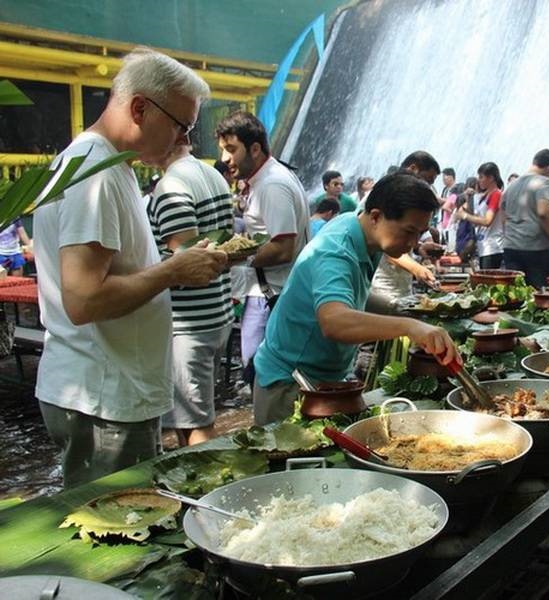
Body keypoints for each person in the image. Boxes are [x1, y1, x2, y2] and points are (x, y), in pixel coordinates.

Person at [32, 47, 227, 488]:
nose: (183, 140)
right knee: (121, 531)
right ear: (140, 108)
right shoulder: (94, 172)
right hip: (105, 397)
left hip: (109, 389)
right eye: (182, 125)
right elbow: (83, 299)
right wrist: (174, 270)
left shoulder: (108, 165)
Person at [251, 172, 460, 424]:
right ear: (375, 216)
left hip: (328, 379)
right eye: (408, 232)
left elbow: (353, 295)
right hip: (291, 384)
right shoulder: (336, 250)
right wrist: (409, 326)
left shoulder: (363, 232)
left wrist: (410, 311)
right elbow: (334, 321)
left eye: (420, 233)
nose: (413, 244)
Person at [146, 143, 234, 447]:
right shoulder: (213, 175)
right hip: (217, 312)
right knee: (198, 415)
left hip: (188, 324)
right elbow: (226, 245)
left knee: (194, 425)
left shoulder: (171, 186)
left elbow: (187, 262)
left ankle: (212, 490)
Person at [216, 111, 310, 368]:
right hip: (271, 293)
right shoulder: (270, 178)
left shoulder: (272, 185)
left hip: (271, 297)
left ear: (255, 148)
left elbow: (282, 249)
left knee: (259, 372)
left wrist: (230, 257)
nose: (225, 159)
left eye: (231, 149)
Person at [369, 151, 441, 303]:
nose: (427, 187)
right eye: (427, 181)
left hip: (401, 286)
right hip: (384, 287)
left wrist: (419, 247)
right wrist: (417, 269)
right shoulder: (383, 198)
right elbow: (387, 247)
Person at [501, 149, 549, 287]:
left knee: (515, 292)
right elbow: (543, 212)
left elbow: (502, 212)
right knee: (539, 294)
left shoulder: (512, 185)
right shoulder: (544, 182)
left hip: (511, 246)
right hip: (535, 247)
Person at [456, 162, 504, 269]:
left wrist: (464, 216)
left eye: (481, 177)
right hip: (483, 246)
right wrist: (469, 200)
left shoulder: (496, 194)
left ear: (491, 178)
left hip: (492, 247)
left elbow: (487, 221)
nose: (479, 180)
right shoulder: (485, 196)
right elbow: (476, 220)